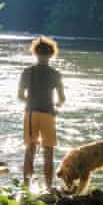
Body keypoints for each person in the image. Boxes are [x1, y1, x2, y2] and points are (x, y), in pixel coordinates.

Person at [18, 37, 65, 191]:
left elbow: (20, 96)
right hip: (48, 115)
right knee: (49, 152)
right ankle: (48, 187)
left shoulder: (27, 72)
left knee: (30, 150)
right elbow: (62, 99)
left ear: (35, 53)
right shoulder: (55, 74)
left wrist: (30, 100)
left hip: (31, 114)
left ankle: (26, 188)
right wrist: (55, 106)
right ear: (52, 54)